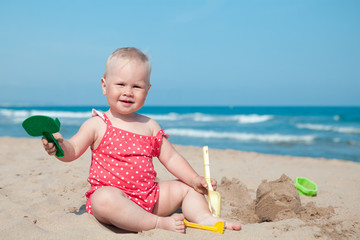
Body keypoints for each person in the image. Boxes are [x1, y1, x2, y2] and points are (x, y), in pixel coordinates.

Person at [42, 47, 241, 233]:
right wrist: (60, 146)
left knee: (187, 188)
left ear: (147, 90)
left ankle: (204, 218)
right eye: (120, 84)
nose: (128, 92)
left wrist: (194, 179)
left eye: (137, 86)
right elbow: (74, 149)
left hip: (150, 197)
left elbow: (171, 158)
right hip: (116, 201)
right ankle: (157, 223)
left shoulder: (150, 126)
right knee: (102, 198)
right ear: (104, 86)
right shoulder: (97, 124)